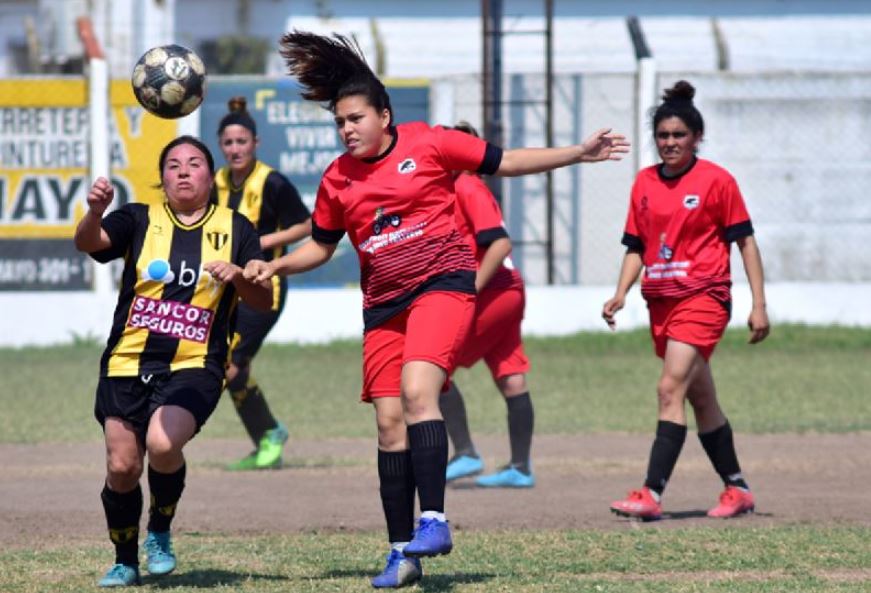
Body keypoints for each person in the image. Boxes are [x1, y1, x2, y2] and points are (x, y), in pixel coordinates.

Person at [246, 31, 628, 589]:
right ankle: (401, 552)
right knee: (387, 424)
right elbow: (323, 246)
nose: (347, 128)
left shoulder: (431, 143)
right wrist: (277, 265)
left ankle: (435, 520)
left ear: (385, 114)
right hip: (382, 306)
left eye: (356, 118)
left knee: (419, 393)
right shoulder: (336, 179)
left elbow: (508, 160)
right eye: (339, 122)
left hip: (442, 287)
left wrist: (578, 152)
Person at [74, 136, 272, 587]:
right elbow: (89, 243)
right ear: (162, 178)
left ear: (209, 175)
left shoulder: (236, 228)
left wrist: (240, 275)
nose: (184, 171)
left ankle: (159, 530)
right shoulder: (139, 218)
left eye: (195, 163)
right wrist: (95, 211)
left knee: (163, 445)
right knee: (122, 467)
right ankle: (125, 560)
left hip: (195, 365)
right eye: (174, 165)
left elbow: (261, 299)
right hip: (126, 362)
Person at [602, 80, 770, 522]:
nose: (670, 143)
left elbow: (746, 244)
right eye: (663, 135)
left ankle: (650, 494)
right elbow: (636, 245)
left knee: (668, 388)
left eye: (679, 135)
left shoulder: (717, 182)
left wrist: (759, 304)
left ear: (696, 137)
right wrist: (620, 293)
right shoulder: (643, 182)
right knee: (702, 400)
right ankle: (738, 489)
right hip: (662, 302)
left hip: (704, 297)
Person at [214, 96, 312, 470]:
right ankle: (268, 437)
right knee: (231, 367)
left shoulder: (272, 182)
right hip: (227, 289)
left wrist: (262, 243)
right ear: (220, 146)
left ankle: (269, 433)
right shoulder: (217, 181)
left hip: (263, 290)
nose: (235, 149)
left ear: (255, 143)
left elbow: (306, 225)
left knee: (231, 366)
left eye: (242, 142)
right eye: (228, 143)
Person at [440, 121, 535, 489]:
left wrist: (470, 289)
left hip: (494, 292)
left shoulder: (467, 184)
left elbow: (500, 244)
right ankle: (521, 468)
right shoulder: (453, 188)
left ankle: (464, 453)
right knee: (511, 378)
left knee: (435, 365)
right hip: (506, 292)